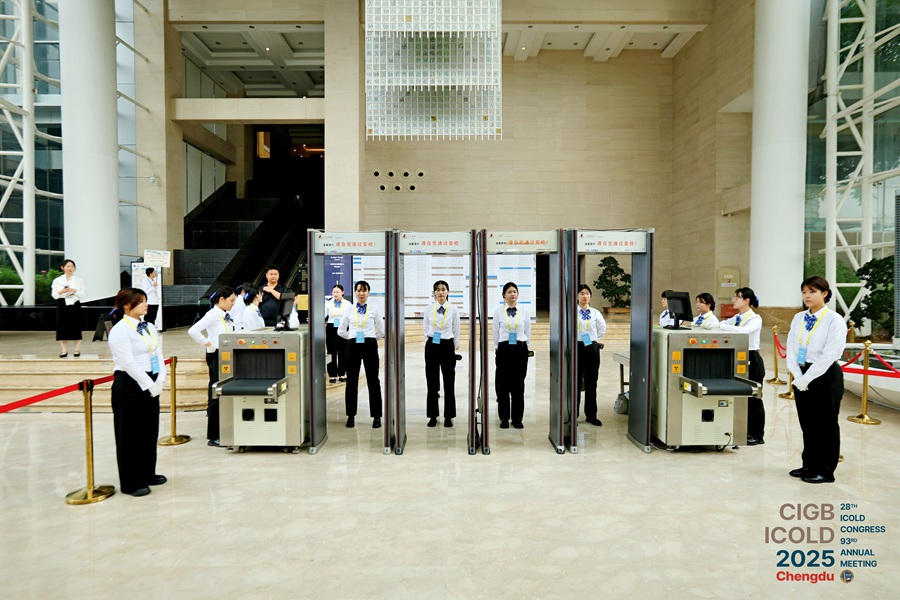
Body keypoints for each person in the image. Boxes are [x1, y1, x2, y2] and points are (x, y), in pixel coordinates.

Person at [786, 276, 847, 484]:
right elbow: (792, 347)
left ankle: (825, 470)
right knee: (808, 423)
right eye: (804, 292)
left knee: (825, 424)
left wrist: (808, 378)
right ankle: (809, 465)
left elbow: (831, 353)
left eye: (812, 291)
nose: (807, 296)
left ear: (825, 293)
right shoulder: (798, 318)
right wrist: (797, 374)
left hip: (825, 375)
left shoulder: (834, 320)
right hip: (801, 373)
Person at [107, 288, 167, 497]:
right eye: (141, 301)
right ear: (126, 305)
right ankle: (131, 482)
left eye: (145, 301)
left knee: (149, 431)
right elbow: (128, 362)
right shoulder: (120, 330)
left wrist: (160, 379)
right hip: (129, 385)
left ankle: (147, 473)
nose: (145, 304)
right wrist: (148, 384)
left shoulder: (149, 326)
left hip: (151, 381)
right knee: (130, 435)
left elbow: (158, 354)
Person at [188, 286, 237, 446]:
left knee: (222, 390)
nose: (233, 304)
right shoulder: (213, 315)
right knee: (216, 391)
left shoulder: (224, 314)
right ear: (221, 299)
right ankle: (213, 435)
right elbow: (193, 331)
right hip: (216, 355)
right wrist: (209, 344)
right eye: (231, 300)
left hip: (226, 354)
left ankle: (223, 430)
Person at [718, 287, 766, 445]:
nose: (734, 300)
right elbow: (722, 324)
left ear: (747, 300)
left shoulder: (755, 319)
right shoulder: (737, 317)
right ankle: (743, 430)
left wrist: (722, 326)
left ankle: (757, 435)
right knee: (741, 397)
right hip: (738, 357)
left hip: (752, 358)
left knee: (754, 398)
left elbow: (743, 331)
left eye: (737, 297)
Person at [337, 280, 385, 429]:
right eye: (358, 290)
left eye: (364, 291)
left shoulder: (375, 309)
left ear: (368, 293)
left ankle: (376, 416)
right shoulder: (349, 309)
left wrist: (371, 338)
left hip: (369, 346)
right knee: (351, 380)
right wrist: (352, 337)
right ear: (355, 293)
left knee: (373, 380)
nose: (361, 293)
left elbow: (383, 330)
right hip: (353, 347)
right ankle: (351, 416)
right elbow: (341, 331)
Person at [493, 282, 531, 429]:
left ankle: (517, 418)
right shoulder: (498, 311)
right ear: (504, 295)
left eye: (514, 291)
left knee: (518, 385)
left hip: (520, 350)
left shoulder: (524, 311)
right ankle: (504, 418)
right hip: (504, 349)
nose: (512, 294)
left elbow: (527, 331)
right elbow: (495, 332)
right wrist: (498, 348)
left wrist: (526, 347)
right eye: (509, 292)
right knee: (503, 385)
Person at [423, 280, 461, 428]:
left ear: (448, 292)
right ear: (434, 293)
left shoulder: (453, 309)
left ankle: (448, 416)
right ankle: (433, 415)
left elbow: (456, 328)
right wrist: (429, 340)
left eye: (443, 289)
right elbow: (425, 327)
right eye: (437, 290)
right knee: (432, 383)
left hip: (447, 346)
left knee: (449, 382)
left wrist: (453, 345)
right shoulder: (429, 309)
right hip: (432, 345)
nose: (440, 292)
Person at [575, 284, 606, 427]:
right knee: (575, 382)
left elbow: (602, 329)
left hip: (591, 347)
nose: (585, 296)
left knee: (591, 382)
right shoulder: (572, 312)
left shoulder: (595, 313)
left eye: (587, 293)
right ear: (577, 296)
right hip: (577, 347)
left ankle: (591, 415)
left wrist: (593, 339)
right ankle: (573, 414)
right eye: (582, 293)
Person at [50, 258, 85, 357]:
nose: (70, 268)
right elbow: (54, 295)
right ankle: (64, 350)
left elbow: (83, 292)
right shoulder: (57, 280)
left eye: (72, 266)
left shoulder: (79, 280)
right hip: (62, 303)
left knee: (76, 326)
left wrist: (74, 290)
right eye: (68, 266)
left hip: (74, 303)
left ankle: (77, 350)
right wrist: (61, 291)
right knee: (62, 326)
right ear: (62, 268)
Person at [325, 284, 351, 383]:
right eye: (334, 292)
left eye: (337, 292)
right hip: (331, 328)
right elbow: (323, 315)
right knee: (331, 351)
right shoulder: (328, 303)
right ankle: (332, 375)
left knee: (343, 351)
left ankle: (342, 373)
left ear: (342, 292)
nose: (335, 294)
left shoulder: (348, 304)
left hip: (343, 327)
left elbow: (350, 317)